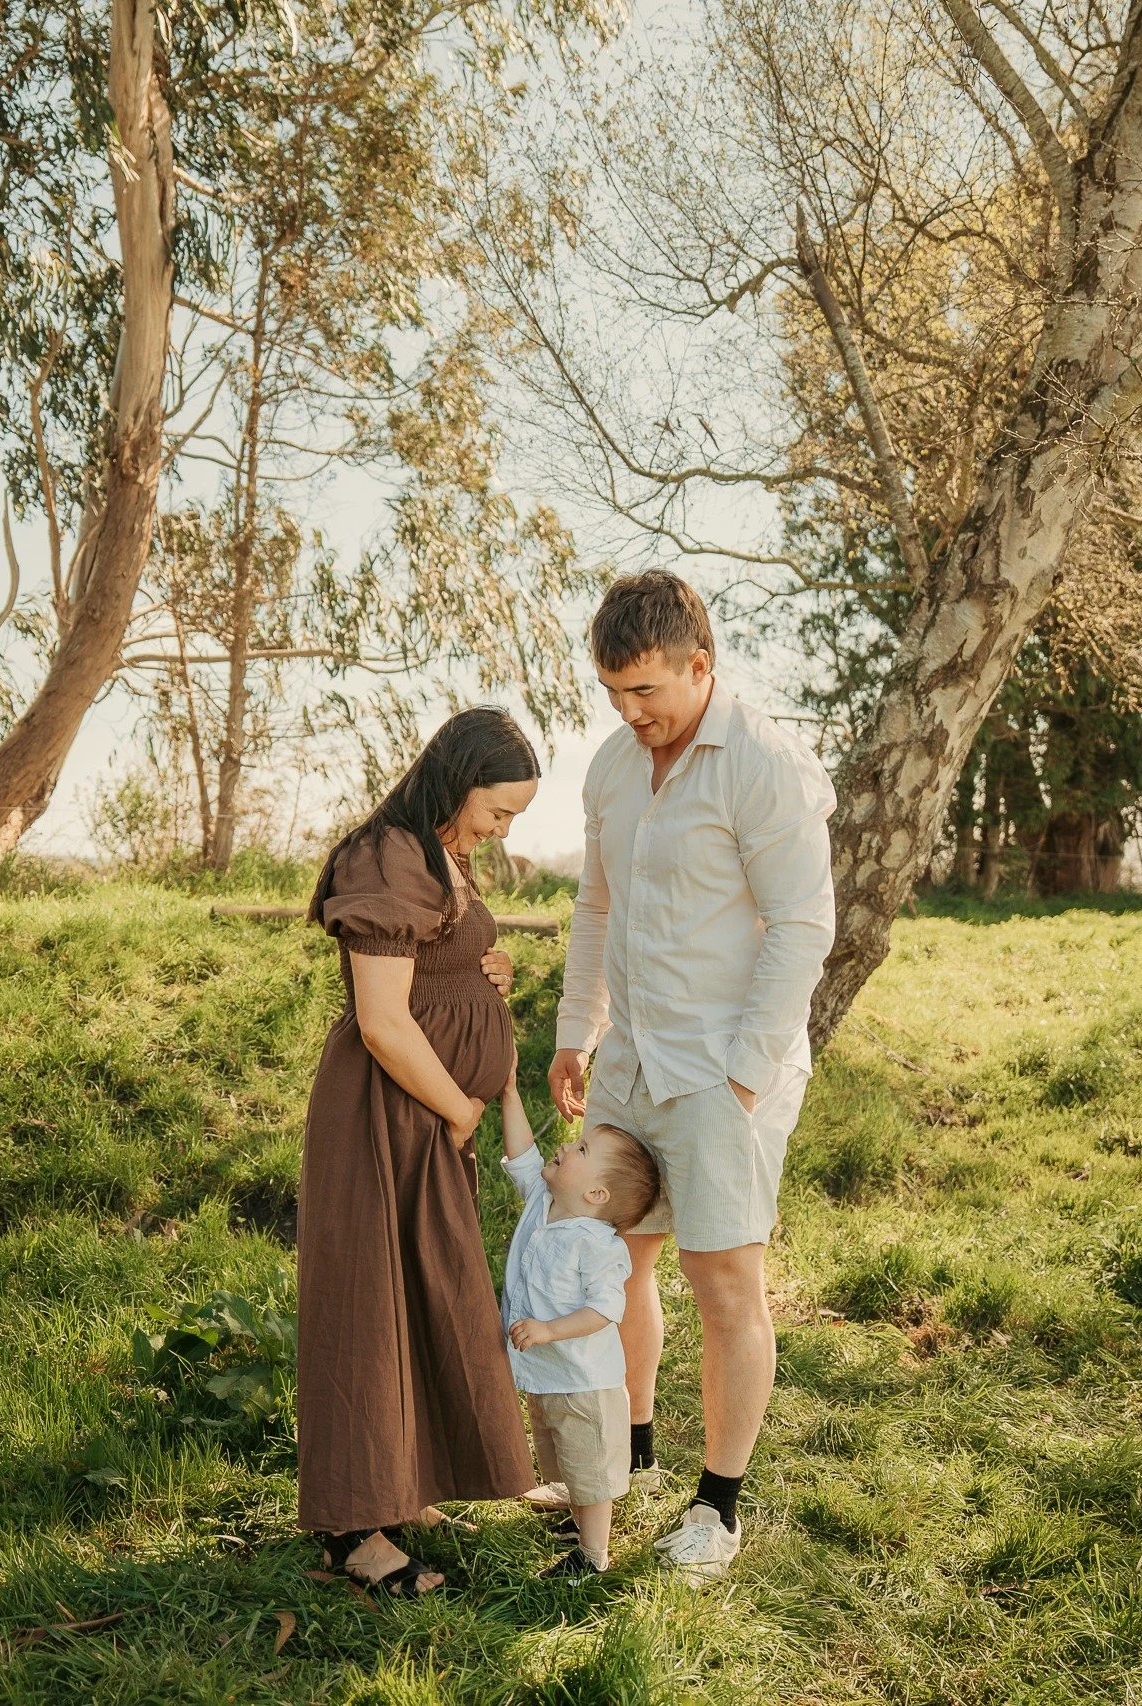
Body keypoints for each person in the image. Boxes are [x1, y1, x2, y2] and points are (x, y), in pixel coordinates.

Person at [548, 571, 837, 1584]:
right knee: (613, 1260)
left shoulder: (765, 762)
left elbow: (805, 924)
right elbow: (596, 906)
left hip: (723, 1073)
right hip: (630, 1058)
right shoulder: (613, 771)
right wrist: (577, 1030)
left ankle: (718, 1506)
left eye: (646, 692)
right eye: (613, 693)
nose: (631, 713)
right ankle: (624, 1452)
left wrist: (746, 1080)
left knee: (725, 1282)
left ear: (699, 664)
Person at [297, 707, 540, 1597]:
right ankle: (354, 1532)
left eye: (512, 818)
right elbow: (384, 1021)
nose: (500, 829)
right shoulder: (386, 854)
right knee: (368, 1307)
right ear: (456, 777)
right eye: (498, 810)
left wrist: (490, 971)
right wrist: (459, 1108)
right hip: (386, 1112)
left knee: (423, 1295)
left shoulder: (441, 853)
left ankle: (407, 1482)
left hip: (427, 1116)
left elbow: (435, 965)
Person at [497, 1051, 661, 1584]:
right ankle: (572, 1520)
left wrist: (548, 1330)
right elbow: (523, 1155)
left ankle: (592, 1554)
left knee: (588, 1465)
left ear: (595, 1194)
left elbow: (606, 1309)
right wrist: (509, 1094)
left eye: (581, 1148)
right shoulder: (543, 1203)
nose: (567, 1144)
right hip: (545, 1375)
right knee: (556, 1451)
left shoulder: (597, 1245)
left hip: (583, 1380)